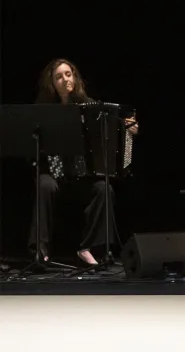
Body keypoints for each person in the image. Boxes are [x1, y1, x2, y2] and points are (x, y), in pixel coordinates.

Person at [29, 58, 139, 266]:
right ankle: (40, 249)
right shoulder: (43, 110)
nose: (64, 80)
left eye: (68, 74)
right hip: (55, 176)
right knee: (44, 183)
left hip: (83, 177)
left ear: (75, 77)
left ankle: (88, 248)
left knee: (103, 188)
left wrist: (128, 128)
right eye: (59, 77)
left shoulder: (92, 108)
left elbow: (115, 128)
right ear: (51, 83)